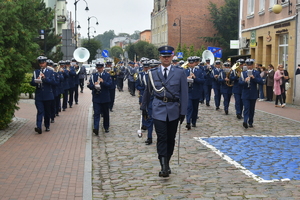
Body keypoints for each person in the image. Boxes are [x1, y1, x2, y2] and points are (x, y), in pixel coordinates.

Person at [141, 45, 188, 177]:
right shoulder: (153, 73)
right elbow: (147, 91)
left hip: (174, 109)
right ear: (160, 57)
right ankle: (163, 166)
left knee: (171, 138)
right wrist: (144, 108)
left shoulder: (179, 72)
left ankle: (167, 161)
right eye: (163, 56)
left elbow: (184, 94)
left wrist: (183, 111)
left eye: (168, 56)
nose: (166, 59)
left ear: (172, 57)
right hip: (158, 108)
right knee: (161, 137)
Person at [30, 56, 55, 134]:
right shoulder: (36, 72)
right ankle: (38, 127)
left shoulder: (50, 72)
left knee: (47, 112)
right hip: (39, 95)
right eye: (40, 63)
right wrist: (36, 80)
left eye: (43, 63)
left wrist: (45, 78)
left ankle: (47, 125)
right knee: (40, 111)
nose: (41, 65)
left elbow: (53, 82)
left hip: (48, 95)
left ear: (46, 63)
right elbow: (31, 83)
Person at [87, 62, 112, 135]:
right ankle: (96, 128)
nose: (99, 69)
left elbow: (110, 85)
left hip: (105, 97)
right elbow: (89, 85)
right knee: (96, 113)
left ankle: (106, 127)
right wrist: (93, 86)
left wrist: (103, 82)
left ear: (103, 68)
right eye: (98, 68)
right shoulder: (93, 75)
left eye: (100, 68)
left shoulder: (107, 75)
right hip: (96, 97)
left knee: (105, 113)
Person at [239, 59, 263, 128]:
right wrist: (245, 81)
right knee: (246, 108)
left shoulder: (256, 73)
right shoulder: (243, 73)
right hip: (245, 93)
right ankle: (245, 121)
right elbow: (240, 83)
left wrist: (254, 78)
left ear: (252, 65)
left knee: (252, 109)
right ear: (246, 66)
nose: (249, 66)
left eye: (250, 65)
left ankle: (250, 122)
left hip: (253, 93)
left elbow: (261, 82)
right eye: (248, 65)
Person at [184, 56, 205, 129]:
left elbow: (202, 81)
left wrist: (195, 78)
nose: (191, 64)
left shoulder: (199, 71)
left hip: (196, 92)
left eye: (192, 63)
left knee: (195, 108)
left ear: (194, 63)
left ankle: (194, 122)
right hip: (188, 92)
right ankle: (188, 122)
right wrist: (186, 79)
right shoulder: (185, 71)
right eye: (190, 63)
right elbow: (181, 81)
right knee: (189, 107)